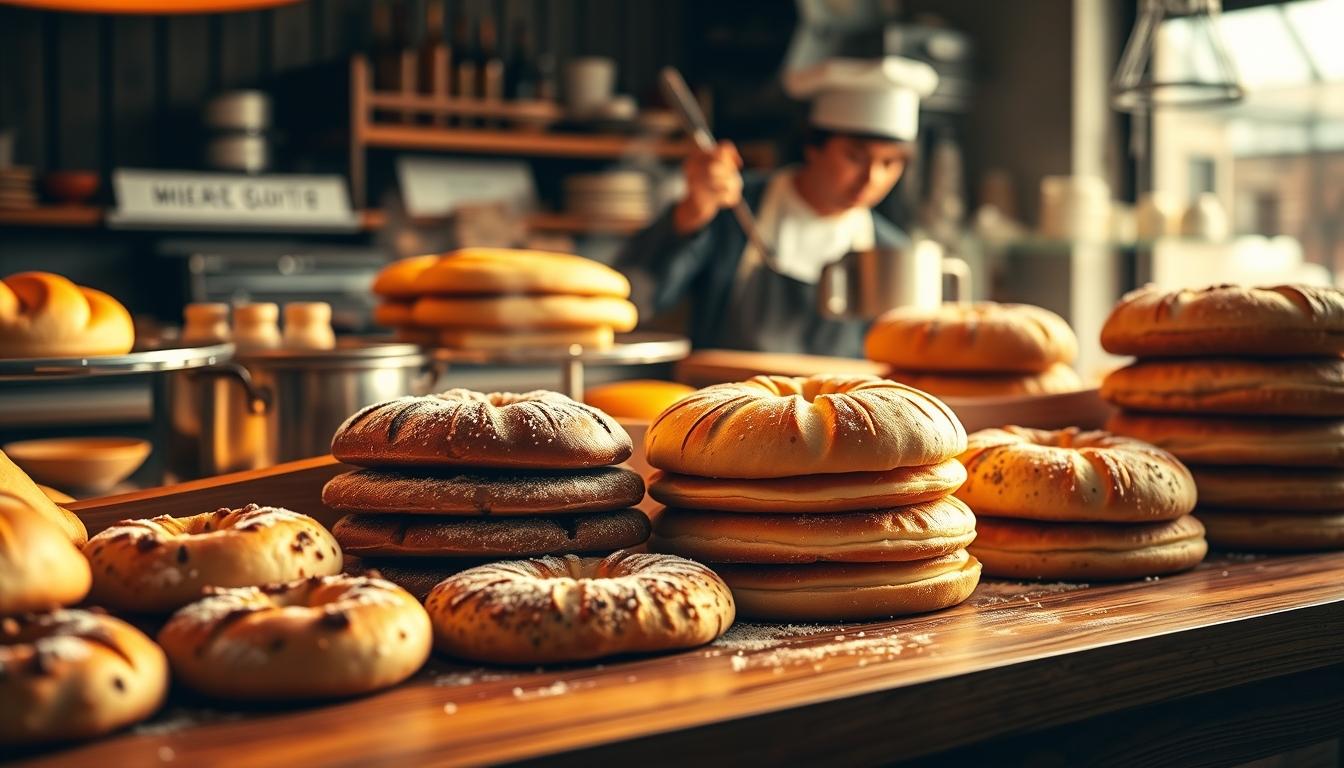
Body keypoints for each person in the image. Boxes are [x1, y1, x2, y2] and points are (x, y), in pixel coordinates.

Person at [617, 56, 938, 356]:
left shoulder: (890, 250)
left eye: (890, 163)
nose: (872, 178)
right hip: (726, 408)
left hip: (841, 415)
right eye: (855, 157)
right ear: (813, 146)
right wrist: (692, 214)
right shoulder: (732, 211)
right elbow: (638, 300)